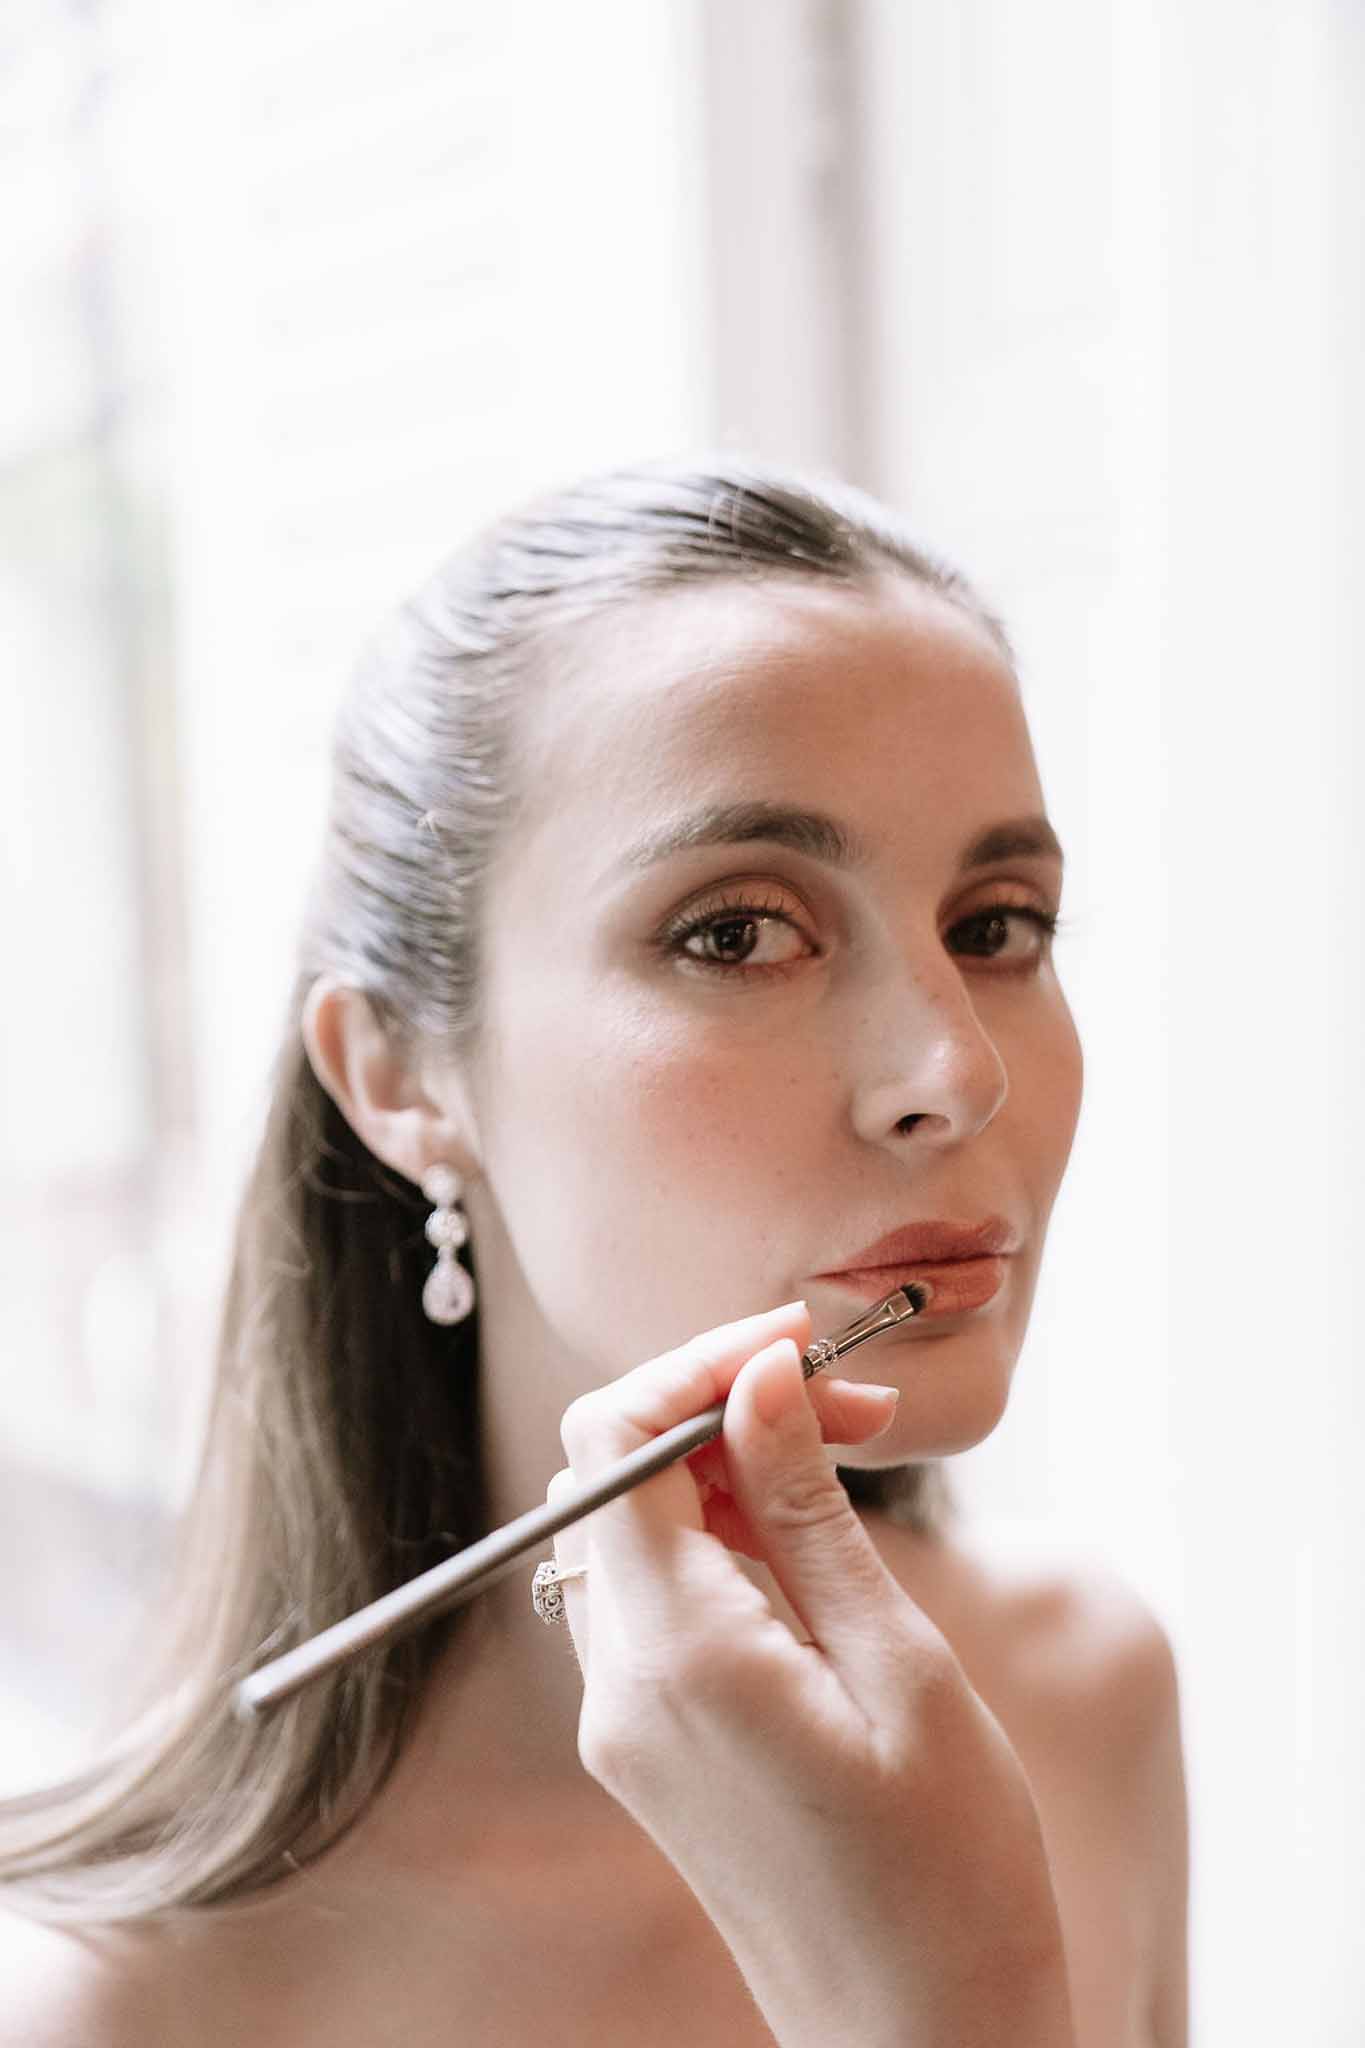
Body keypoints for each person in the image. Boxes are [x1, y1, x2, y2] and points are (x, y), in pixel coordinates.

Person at [0, 456, 1188, 2044]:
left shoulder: (1085, 1690)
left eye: (996, 926)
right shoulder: (126, 2004)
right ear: (403, 1080)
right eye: (737, 932)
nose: (957, 1068)